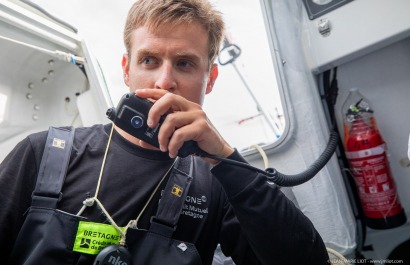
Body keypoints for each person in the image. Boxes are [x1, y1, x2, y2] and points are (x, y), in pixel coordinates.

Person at [0, 0, 329, 264]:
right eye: (149, 60)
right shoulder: (44, 153)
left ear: (210, 79)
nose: (164, 81)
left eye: (185, 63)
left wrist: (227, 160)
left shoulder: (219, 183)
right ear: (127, 70)